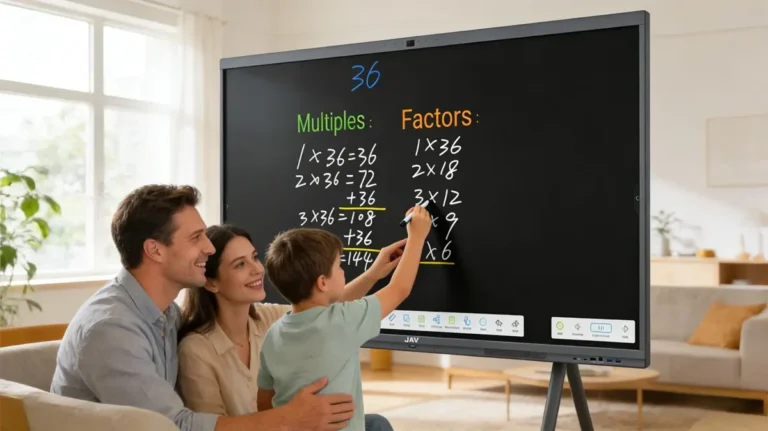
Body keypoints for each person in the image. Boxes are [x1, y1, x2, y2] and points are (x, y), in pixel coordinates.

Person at [49, 184, 362, 430]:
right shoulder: (112, 329)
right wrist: (288, 418)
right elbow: (173, 426)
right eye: (196, 237)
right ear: (155, 250)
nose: (209, 247)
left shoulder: (166, 315)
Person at [176, 224, 407, 430]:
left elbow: (323, 311)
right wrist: (289, 418)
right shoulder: (195, 351)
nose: (257, 269)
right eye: (240, 264)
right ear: (211, 282)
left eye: (255, 257)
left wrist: (374, 274)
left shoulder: (268, 319)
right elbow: (211, 428)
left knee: (376, 423)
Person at [255, 205, 432, 430]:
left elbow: (264, 402)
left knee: (378, 424)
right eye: (339, 266)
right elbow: (399, 290)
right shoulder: (342, 321)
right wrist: (417, 237)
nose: (343, 271)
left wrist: (373, 274)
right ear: (322, 282)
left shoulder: (274, 333)